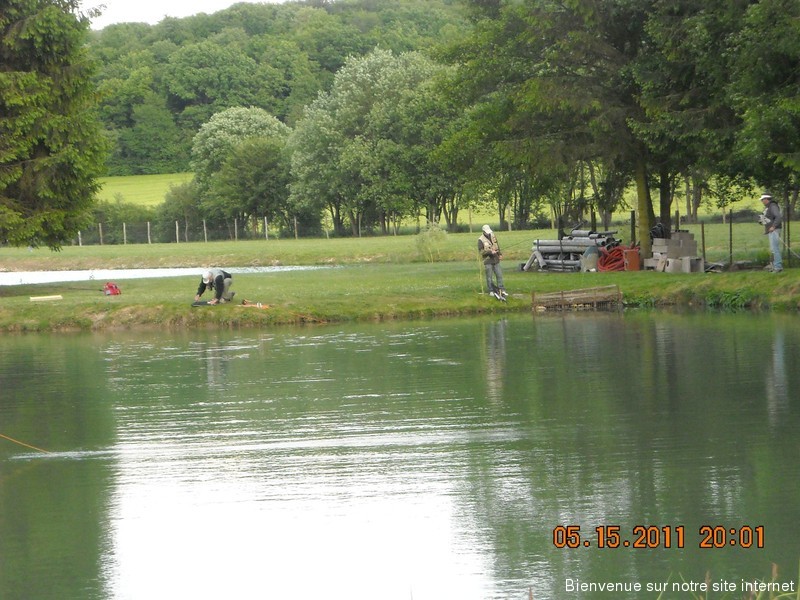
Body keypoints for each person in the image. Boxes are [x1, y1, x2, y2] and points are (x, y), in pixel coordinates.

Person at [478, 224, 507, 299]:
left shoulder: (493, 236)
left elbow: (497, 246)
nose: (488, 233)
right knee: (489, 277)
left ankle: (501, 289)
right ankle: (491, 290)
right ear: (483, 231)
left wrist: (499, 254)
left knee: (499, 275)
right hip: (488, 260)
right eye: (486, 232)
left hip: (496, 259)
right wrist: (490, 252)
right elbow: (481, 252)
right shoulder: (480, 240)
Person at [759, 193, 783, 272]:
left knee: (775, 249)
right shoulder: (769, 207)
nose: (762, 201)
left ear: (766, 199)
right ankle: (774, 266)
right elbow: (769, 220)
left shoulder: (773, 206)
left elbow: (778, 217)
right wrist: (766, 230)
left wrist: (773, 226)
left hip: (774, 230)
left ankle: (778, 267)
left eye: (762, 199)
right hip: (771, 230)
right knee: (773, 249)